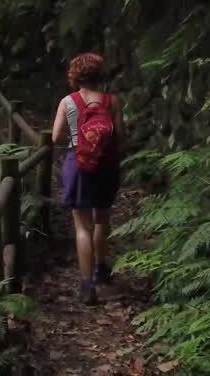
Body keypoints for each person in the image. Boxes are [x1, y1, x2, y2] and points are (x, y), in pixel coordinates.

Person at [50, 52, 124, 305]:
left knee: (82, 226)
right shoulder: (112, 101)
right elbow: (120, 135)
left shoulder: (67, 102)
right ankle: (102, 269)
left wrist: (77, 138)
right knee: (102, 219)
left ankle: (86, 286)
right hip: (106, 164)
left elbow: (56, 137)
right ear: (101, 74)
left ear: (75, 75)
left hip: (78, 164)